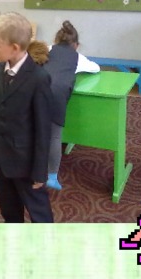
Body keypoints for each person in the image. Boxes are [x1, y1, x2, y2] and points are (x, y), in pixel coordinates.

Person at [0, 12, 54, 223]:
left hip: (25, 162)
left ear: (14, 47)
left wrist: (40, 171)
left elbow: (43, 129)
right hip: (1, 157)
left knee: (38, 211)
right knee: (9, 208)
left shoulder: (39, 78)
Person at [39, 21, 99, 190]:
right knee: (54, 137)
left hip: (36, 90)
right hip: (57, 96)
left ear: (55, 40)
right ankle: (52, 176)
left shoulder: (47, 49)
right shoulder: (77, 57)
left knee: (33, 129)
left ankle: (30, 168)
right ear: (76, 45)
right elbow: (95, 68)